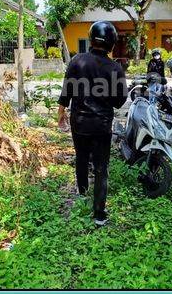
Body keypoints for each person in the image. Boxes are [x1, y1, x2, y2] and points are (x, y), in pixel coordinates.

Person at [57, 21, 127, 227]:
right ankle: (99, 215)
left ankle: (82, 194)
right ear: (112, 43)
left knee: (81, 158)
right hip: (102, 126)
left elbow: (66, 90)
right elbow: (120, 101)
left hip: (79, 122)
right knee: (101, 168)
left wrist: (61, 112)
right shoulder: (115, 68)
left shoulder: (77, 61)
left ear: (91, 39)